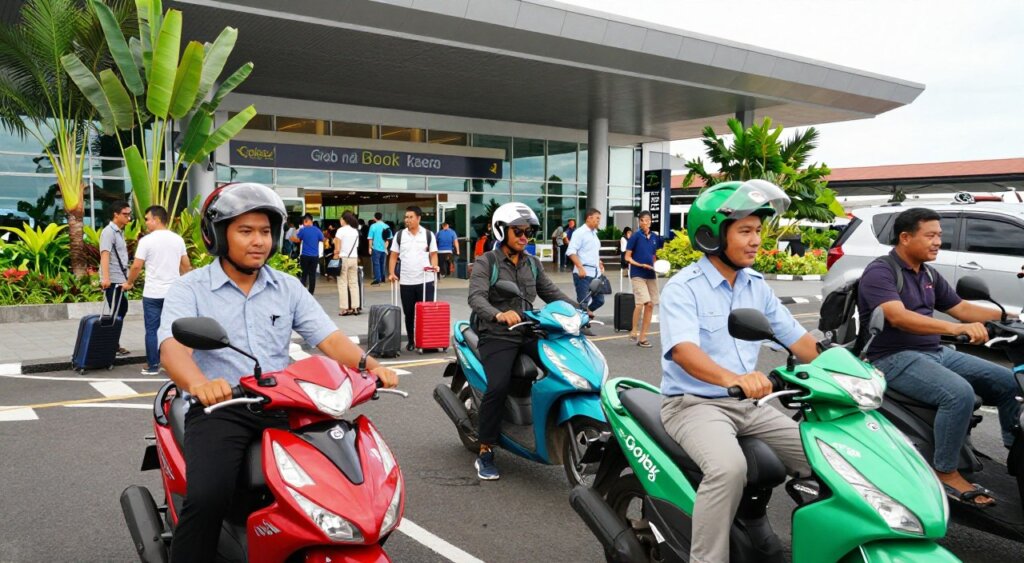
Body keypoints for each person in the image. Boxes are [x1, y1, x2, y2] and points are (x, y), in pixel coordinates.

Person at [158, 183, 399, 563]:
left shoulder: (286, 287)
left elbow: (329, 338)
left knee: (341, 483)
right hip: (223, 409)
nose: (259, 241)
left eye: (266, 232)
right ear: (217, 236)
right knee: (208, 498)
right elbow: (172, 349)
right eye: (245, 231)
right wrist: (200, 385)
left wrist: (371, 366)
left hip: (286, 402)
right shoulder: (191, 289)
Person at [660, 180, 817, 563]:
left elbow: (799, 341)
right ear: (713, 234)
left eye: (758, 231)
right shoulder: (684, 288)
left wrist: (849, 365)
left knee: (826, 455)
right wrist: (733, 379)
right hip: (694, 405)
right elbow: (683, 351)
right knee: (729, 469)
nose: (755, 240)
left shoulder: (756, 287)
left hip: (752, 405)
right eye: (745, 230)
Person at [858, 207, 1019, 507]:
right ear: (905, 238)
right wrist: (955, 328)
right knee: (958, 394)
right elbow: (898, 317)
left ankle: (1016, 452)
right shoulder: (880, 271)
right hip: (892, 357)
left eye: (939, 236)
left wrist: (1010, 315)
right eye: (930, 235)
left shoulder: (928, 273)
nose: (937, 242)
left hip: (934, 352)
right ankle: (944, 470)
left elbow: (962, 308)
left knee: (1009, 382)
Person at [467, 202, 578, 480]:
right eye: (518, 231)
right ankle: (486, 450)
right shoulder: (487, 262)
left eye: (527, 231)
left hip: (529, 329)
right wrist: (499, 314)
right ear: (501, 231)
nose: (524, 237)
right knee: (498, 386)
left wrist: (579, 310)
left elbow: (552, 293)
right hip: (497, 333)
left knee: (566, 366)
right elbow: (476, 297)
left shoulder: (532, 263)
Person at [122, 205, 191, 376]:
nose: (145, 223)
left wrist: (129, 282)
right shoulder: (178, 240)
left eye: (147, 219)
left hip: (153, 294)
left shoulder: (146, 241)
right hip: (174, 294)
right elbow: (186, 265)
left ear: (157, 219)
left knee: (152, 330)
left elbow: (137, 265)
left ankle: (153, 366)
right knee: (175, 330)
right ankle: (177, 365)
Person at [388, 206, 439, 351]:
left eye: (410, 217)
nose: (407, 220)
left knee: (426, 313)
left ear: (418, 218)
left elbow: (433, 254)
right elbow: (393, 256)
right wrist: (392, 273)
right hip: (407, 281)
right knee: (409, 313)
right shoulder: (399, 235)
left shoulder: (428, 235)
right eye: (406, 217)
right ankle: (411, 340)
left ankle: (427, 341)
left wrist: (434, 266)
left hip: (425, 280)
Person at [99, 200, 133, 357]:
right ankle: (111, 344)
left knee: (121, 310)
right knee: (118, 312)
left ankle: (113, 343)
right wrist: (106, 279)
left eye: (129, 214)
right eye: (125, 214)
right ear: (116, 215)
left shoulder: (119, 231)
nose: (129, 217)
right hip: (112, 280)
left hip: (120, 279)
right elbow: (105, 255)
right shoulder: (109, 232)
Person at [624, 213, 662, 348]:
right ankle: (634, 330)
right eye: (642, 220)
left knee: (651, 304)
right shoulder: (635, 237)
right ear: (639, 222)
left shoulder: (654, 237)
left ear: (651, 222)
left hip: (651, 274)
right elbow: (627, 257)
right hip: (637, 273)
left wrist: (657, 267)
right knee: (641, 303)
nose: (645, 222)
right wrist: (640, 265)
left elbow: (654, 256)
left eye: (647, 220)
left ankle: (643, 337)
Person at [565, 209, 605, 335]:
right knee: (583, 301)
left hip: (595, 273)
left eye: (599, 218)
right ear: (589, 218)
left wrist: (599, 262)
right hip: (583, 274)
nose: (599, 221)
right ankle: (582, 327)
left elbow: (592, 252)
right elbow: (571, 251)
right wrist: (580, 267)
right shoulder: (580, 233)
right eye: (597, 218)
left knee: (600, 300)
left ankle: (585, 313)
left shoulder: (594, 233)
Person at [334, 211, 362, 316]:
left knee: (342, 284)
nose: (340, 221)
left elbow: (337, 248)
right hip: (353, 258)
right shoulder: (355, 231)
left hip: (343, 258)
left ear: (344, 220)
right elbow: (356, 246)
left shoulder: (340, 231)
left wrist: (335, 257)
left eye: (341, 219)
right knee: (354, 283)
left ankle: (344, 308)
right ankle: (355, 307)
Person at [290, 213, 323, 294]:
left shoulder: (303, 230)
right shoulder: (317, 230)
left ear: (306, 221)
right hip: (314, 256)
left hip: (305, 256)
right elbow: (322, 239)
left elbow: (298, 240)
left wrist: (291, 238)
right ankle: (311, 292)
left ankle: (303, 292)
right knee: (312, 275)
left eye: (304, 222)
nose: (303, 224)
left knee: (304, 274)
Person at [367, 212, 390, 285]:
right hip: (384, 248)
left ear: (374, 218)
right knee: (382, 263)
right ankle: (382, 278)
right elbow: (388, 238)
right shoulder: (386, 226)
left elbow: (370, 238)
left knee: (376, 263)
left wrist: (370, 248)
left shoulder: (373, 226)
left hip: (376, 248)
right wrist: (386, 247)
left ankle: (377, 279)